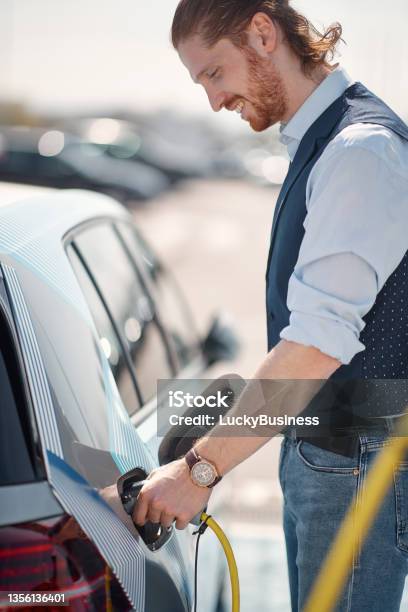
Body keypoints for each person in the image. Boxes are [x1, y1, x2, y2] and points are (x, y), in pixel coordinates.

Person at [133, 2, 408, 610]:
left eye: (214, 74)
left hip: (355, 468)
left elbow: (315, 345)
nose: (212, 100)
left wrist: (198, 470)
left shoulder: (360, 150)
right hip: (333, 458)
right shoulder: (325, 141)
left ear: (262, 33)